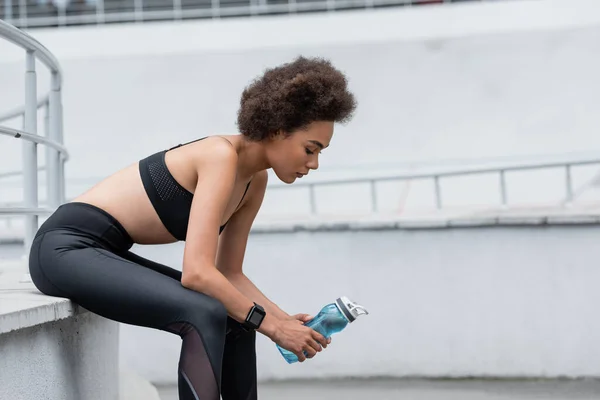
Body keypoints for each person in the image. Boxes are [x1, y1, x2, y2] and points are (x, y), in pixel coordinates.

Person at [28, 55, 357, 400]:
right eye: (310, 149)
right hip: (63, 249)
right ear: (277, 129)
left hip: (103, 252)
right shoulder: (220, 156)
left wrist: (284, 321)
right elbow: (197, 274)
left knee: (238, 317)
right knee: (204, 310)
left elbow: (230, 275)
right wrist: (274, 328)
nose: (314, 163)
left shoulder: (254, 181)